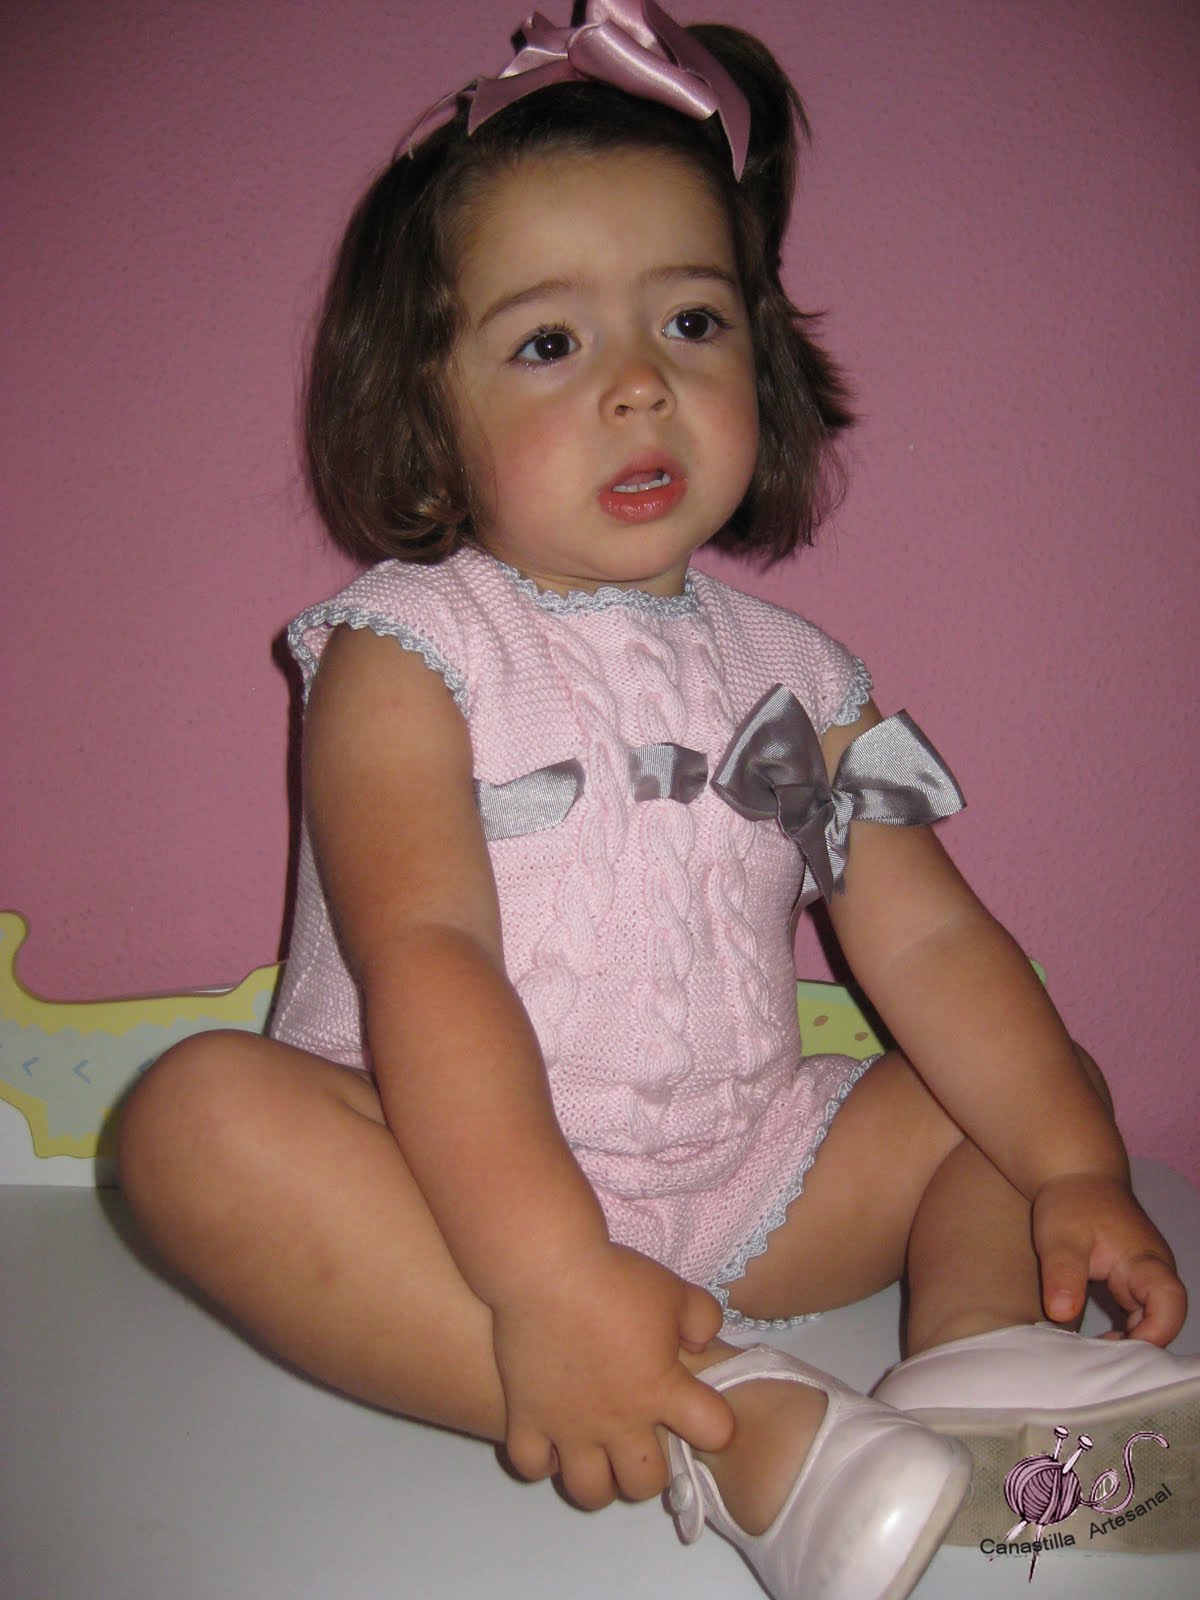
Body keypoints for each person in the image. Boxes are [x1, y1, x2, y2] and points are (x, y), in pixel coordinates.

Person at [117, 5, 1199, 1597]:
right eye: (550, 344)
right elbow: (428, 956)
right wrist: (551, 1270)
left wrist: (1072, 1168)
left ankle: (974, 1361)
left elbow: (932, 944)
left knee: (1021, 1077)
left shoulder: (802, 679)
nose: (639, 387)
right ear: (427, 412)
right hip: (441, 1186)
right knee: (193, 1128)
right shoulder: (405, 653)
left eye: (690, 322)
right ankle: (733, 1423)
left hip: (748, 1180)